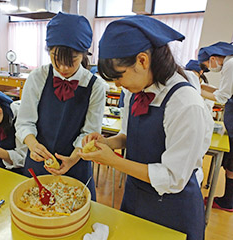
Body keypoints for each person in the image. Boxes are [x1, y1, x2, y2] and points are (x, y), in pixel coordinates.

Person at [78, 15, 213, 240]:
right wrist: (106, 143)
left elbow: (172, 177)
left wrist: (114, 161)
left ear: (142, 60)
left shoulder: (186, 105)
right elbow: (130, 136)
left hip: (172, 208)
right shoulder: (135, 93)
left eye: (119, 77)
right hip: (135, 196)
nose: (118, 85)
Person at [15, 12, 106, 199]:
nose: (63, 68)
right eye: (56, 59)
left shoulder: (95, 86)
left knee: (77, 216)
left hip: (77, 162)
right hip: (38, 161)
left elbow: (89, 133)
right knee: (36, 212)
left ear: (83, 54)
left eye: (71, 60)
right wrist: (32, 144)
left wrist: (73, 158)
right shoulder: (37, 77)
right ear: (49, 51)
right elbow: (24, 122)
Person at [198, 41, 233, 212]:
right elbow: (221, 90)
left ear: (213, 59)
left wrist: (196, 90)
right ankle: (228, 200)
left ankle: (228, 202)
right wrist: (202, 86)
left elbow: (222, 97)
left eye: (207, 67)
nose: (209, 69)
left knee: (231, 163)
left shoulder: (230, 64)